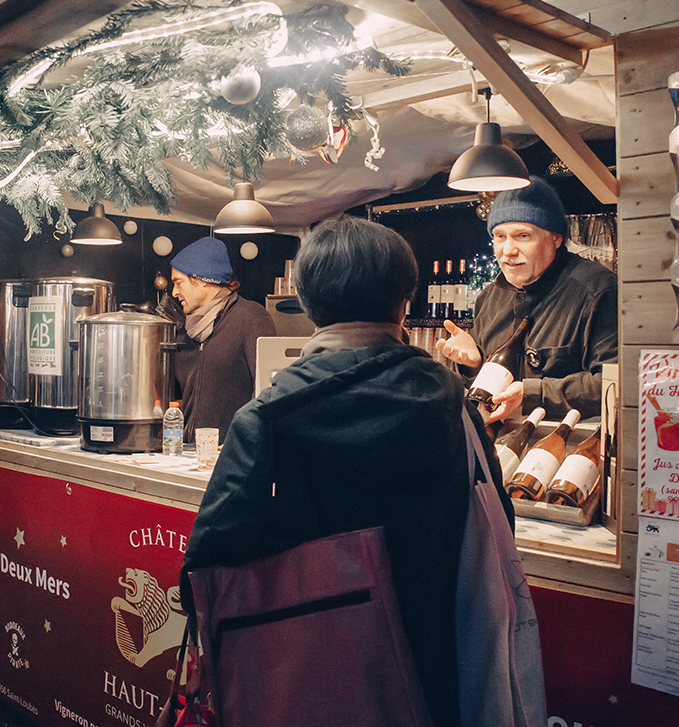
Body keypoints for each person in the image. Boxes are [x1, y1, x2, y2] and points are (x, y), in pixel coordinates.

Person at [180, 215, 513, 727]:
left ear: (308, 305)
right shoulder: (452, 404)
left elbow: (205, 563)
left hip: (304, 677)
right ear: (404, 301)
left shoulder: (267, 415)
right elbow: (498, 526)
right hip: (428, 670)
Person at [438, 177, 618, 426]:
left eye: (522, 236)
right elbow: (483, 391)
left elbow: (612, 382)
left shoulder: (597, 290)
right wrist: (473, 365)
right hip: (497, 444)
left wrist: (533, 394)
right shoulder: (489, 298)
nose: (508, 250)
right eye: (500, 236)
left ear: (555, 239)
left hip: (570, 449)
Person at [169, 236, 275, 444]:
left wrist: (240, 443)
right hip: (186, 456)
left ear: (202, 281)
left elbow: (267, 392)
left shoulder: (251, 318)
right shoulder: (186, 330)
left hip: (229, 455)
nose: (174, 292)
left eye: (178, 283)